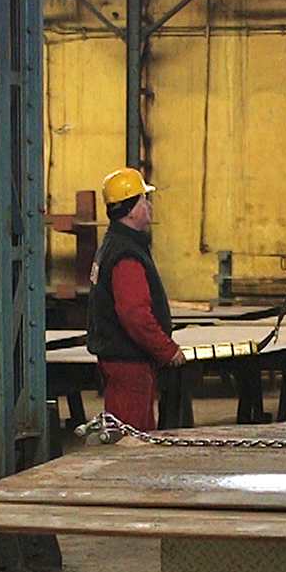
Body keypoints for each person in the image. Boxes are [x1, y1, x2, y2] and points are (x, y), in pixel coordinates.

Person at [87, 167, 184, 431]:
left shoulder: (115, 245)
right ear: (130, 210)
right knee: (132, 440)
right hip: (129, 366)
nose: (148, 205)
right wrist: (167, 350)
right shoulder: (126, 254)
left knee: (130, 435)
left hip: (123, 362)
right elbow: (134, 314)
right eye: (143, 199)